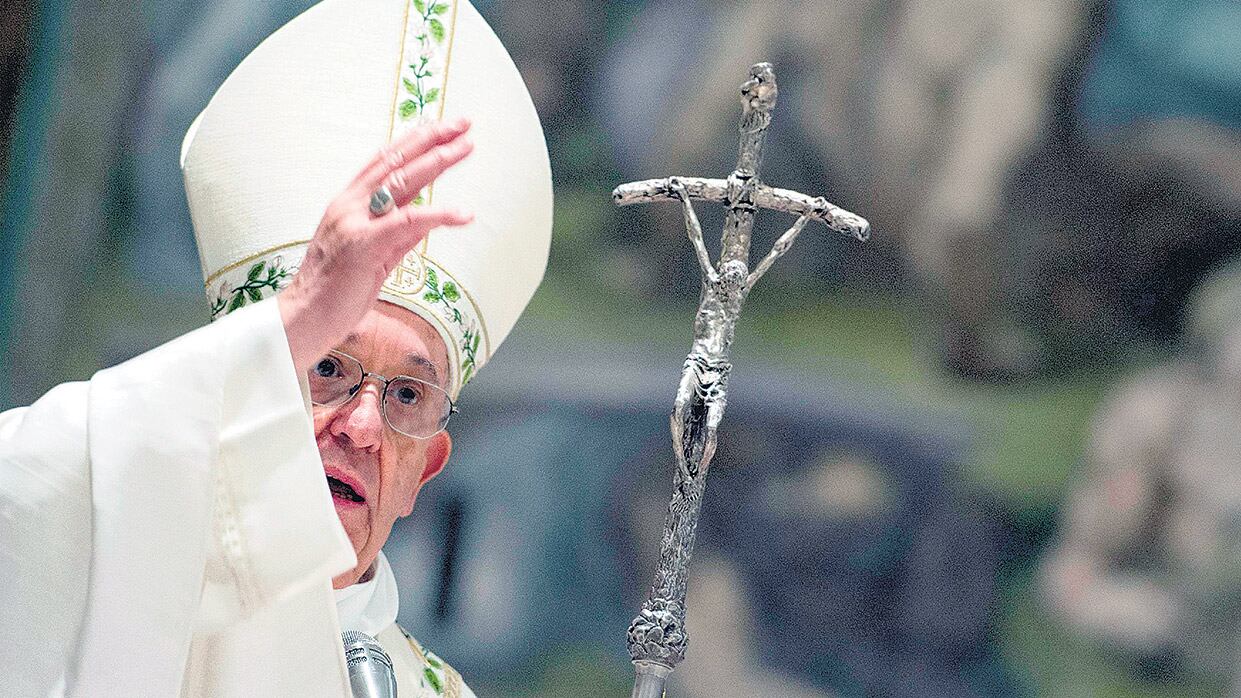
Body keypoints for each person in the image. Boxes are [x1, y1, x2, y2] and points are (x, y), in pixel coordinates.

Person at [0, 0, 552, 695]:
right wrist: (294, 315)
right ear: (229, 387)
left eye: (407, 395)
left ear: (427, 470)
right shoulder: (108, 578)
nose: (361, 426)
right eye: (325, 365)